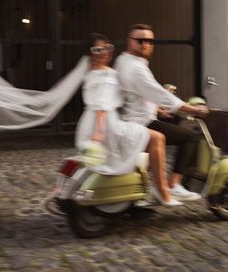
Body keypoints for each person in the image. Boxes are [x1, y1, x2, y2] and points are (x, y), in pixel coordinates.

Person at [75, 33, 183, 207]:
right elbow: (103, 106)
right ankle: (163, 192)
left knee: (142, 139)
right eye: (97, 49)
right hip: (105, 125)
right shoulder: (106, 75)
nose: (103, 52)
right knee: (157, 138)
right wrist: (99, 134)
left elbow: (124, 97)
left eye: (106, 47)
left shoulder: (91, 73)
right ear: (90, 53)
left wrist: (156, 109)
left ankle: (140, 191)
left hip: (87, 124)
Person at [114, 23, 209, 202]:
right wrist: (195, 109)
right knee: (191, 137)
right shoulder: (137, 68)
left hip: (131, 117)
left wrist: (157, 109)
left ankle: (141, 195)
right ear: (129, 41)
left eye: (150, 40)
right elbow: (162, 95)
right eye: (140, 40)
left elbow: (135, 94)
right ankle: (174, 185)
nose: (145, 44)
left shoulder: (123, 60)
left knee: (173, 123)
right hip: (140, 122)